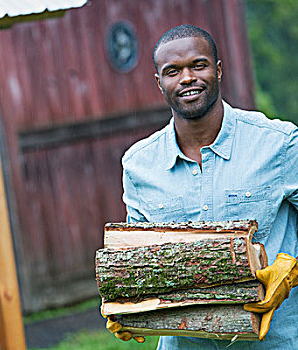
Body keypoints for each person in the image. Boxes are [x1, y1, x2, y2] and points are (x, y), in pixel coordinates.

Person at [105, 24, 298, 349]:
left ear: (218, 70)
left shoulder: (278, 144)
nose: (186, 78)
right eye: (173, 71)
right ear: (159, 83)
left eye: (198, 65)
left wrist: (291, 268)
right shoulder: (139, 165)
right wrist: (125, 302)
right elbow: (137, 260)